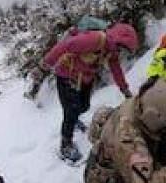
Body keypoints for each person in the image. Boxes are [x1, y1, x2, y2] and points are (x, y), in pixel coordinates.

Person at [39, 22, 139, 162]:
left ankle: (74, 120)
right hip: (67, 74)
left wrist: (125, 89)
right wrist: (48, 61)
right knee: (71, 110)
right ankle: (66, 144)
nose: (121, 52)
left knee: (84, 106)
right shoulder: (94, 39)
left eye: (123, 50)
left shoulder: (112, 51)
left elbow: (116, 69)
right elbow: (67, 45)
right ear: (117, 40)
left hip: (85, 78)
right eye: (122, 48)